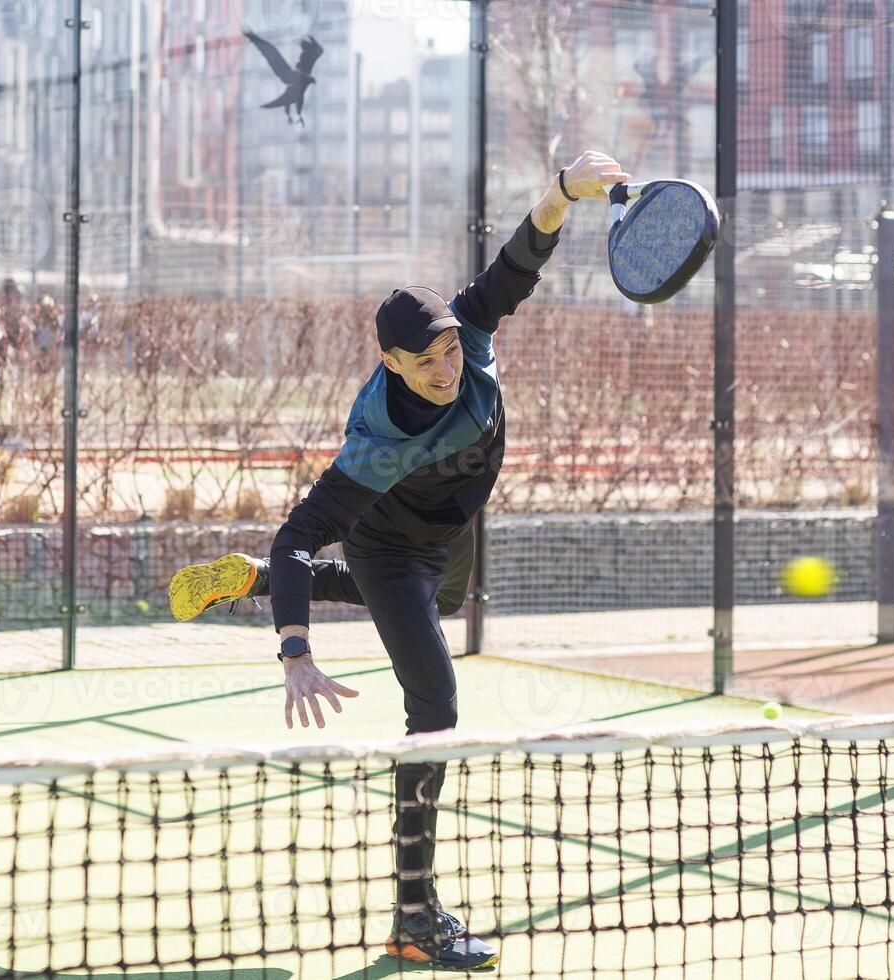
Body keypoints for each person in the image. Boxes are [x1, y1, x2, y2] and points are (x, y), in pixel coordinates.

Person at [168, 150, 631, 971]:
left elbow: (522, 255)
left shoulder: (470, 328)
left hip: (454, 531)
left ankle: (256, 588)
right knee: (436, 707)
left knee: (442, 609)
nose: (447, 369)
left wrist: (566, 189)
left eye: (451, 350)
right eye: (427, 362)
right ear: (392, 364)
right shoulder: (377, 444)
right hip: (389, 545)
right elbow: (297, 532)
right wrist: (296, 650)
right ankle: (414, 917)